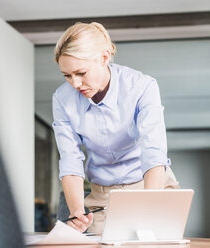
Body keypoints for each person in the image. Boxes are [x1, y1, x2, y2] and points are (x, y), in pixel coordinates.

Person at [52, 22, 180, 234]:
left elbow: (153, 151)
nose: (74, 83)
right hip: (103, 195)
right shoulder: (62, 99)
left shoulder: (142, 86)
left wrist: (151, 203)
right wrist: (76, 211)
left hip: (149, 185)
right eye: (66, 75)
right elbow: (70, 159)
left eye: (81, 73)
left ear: (104, 58)